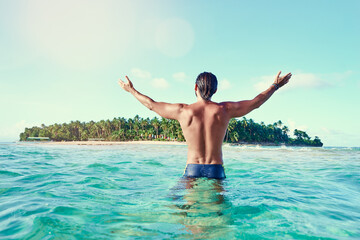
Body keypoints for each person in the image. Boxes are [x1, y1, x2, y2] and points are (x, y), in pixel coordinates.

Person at [118, 71, 292, 179]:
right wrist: (275, 86)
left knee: (187, 215)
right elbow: (256, 102)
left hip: (192, 169)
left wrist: (131, 90)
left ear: (195, 87)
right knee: (217, 218)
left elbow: (151, 104)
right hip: (216, 169)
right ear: (215, 90)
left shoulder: (182, 111)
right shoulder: (225, 109)